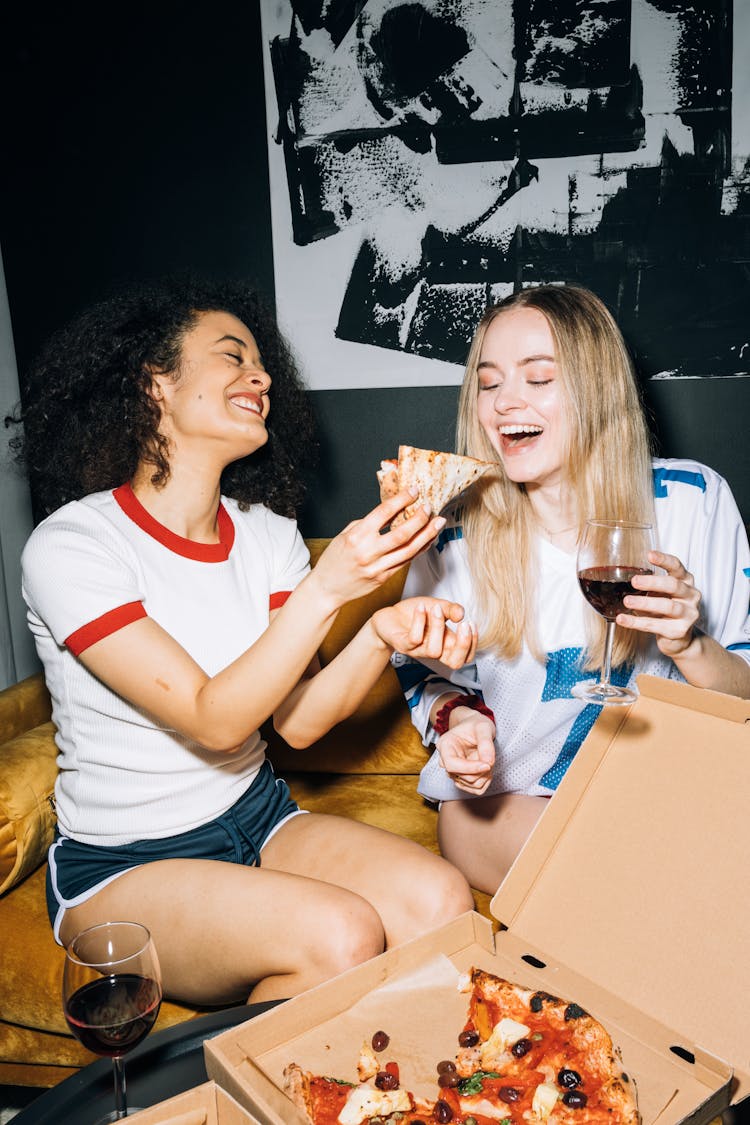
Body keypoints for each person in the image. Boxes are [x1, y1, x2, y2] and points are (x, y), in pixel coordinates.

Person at [12, 276, 478, 1006]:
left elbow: (295, 721)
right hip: (122, 863)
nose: (259, 375)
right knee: (342, 935)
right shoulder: (74, 544)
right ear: (155, 382)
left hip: (259, 817)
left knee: (442, 901)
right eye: (232, 356)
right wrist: (330, 589)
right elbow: (213, 715)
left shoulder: (265, 533)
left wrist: (380, 636)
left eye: (262, 364)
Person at [392, 284, 750, 895]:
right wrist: (457, 722)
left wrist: (688, 643)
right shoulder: (449, 536)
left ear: (597, 390)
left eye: (538, 379)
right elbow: (428, 678)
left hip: (669, 796)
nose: (505, 402)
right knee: (607, 872)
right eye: (489, 382)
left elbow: (743, 697)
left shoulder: (694, 500)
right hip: (515, 806)